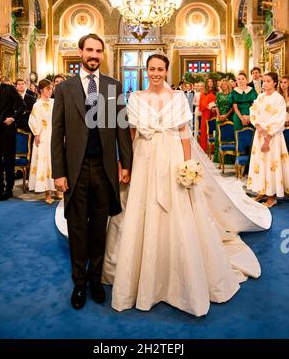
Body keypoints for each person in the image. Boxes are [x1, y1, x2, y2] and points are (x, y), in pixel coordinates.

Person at [101, 53, 271, 316]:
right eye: (152, 69)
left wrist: (188, 165)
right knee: (140, 209)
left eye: (160, 69)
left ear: (167, 71)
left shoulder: (178, 98)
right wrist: (127, 164)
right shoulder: (135, 99)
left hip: (171, 158)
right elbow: (131, 134)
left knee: (176, 209)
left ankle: (178, 277)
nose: (156, 73)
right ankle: (139, 275)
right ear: (147, 71)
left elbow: (183, 134)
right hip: (144, 157)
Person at [51, 33, 133, 309]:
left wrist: (127, 164)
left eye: (99, 51)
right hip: (74, 170)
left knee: (100, 227)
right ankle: (79, 283)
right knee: (77, 228)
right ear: (80, 52)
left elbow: (122, 128)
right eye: (90, 50)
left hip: (104, 168)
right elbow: (57, 133)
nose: (94, 55)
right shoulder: (65, 89)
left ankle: (96, 280)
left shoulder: (113, 86)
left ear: (103, 54)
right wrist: (58, 172)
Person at [247, 72, 289, 208]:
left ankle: (271, 196)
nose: (264, 84)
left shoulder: (278, 99)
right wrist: (258, 127)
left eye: (268, 81)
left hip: (272, 137)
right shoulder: (260, 97)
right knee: (259, 163)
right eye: (263, 81)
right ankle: (262, 191)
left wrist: (267, 135)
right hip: (260, 134)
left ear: (275, 83)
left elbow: (279, 118)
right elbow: (253, 112)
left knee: (271, 163)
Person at [0, 66, 25, 200]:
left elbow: (22, 106)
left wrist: (13, 118)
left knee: (9, 161)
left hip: (8, 131)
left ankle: (8, 190)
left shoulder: (9, 89)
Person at [28, 79, 55, 204]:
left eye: (51, 88)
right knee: (45, 162)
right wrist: (37, 134)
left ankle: (57, 188)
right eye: (48, 89)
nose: (50, 91)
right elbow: (33, 120)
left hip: (55, 134)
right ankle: (47, 192)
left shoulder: (55, 102)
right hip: (43, 136)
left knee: (55, 161)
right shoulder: (37, 105)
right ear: (41, 90)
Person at [199, 77, 217, 152]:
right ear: (207, 83)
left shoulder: (217, 92)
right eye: (209, 81)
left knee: (214, 130)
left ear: (213, 83)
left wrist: (214, 107)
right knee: (204, 130)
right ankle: (204, 148)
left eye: (211, 81)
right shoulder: (203, 93)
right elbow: (201, 103)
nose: (210, 83)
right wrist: (207, 107)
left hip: (215, 112)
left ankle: (213, 149)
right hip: (206, 112)